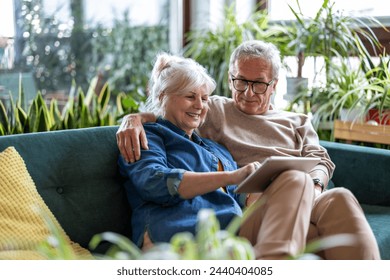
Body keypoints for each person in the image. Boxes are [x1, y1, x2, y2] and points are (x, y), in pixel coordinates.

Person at [116, 41, 380, 260]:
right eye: (241, 82)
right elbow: (168, 113)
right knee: (293, 179)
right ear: (231, 79)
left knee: (341, 197)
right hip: (259, 208)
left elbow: (319, 159)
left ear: (274, 85)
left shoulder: (295, 121)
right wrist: (133, 118)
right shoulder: (215, 110)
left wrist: (316, 188)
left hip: (303, 195)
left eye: (259, 84)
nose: (248, 92)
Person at [117, 52, 258, 251]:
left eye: (205, 98)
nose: (200, 105)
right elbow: (154, 182)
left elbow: (239, 196)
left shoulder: (217, 149)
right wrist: (230, 177)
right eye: (190, 96)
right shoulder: (147, 136)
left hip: (227, 236)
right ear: (161, 96)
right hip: (176, 236)